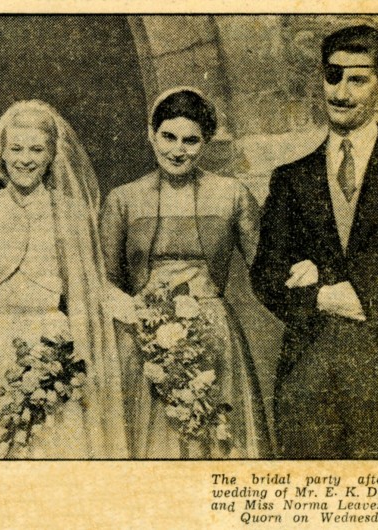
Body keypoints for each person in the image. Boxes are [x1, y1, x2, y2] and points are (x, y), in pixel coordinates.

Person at [250, 25, 378, 459]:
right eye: (333, 76)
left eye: (357, 79)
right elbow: (266, 275)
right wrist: (324, 296)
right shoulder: (291, 178)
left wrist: (354, 289)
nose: (341, 92)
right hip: (309, 380)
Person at [100, 87, 271, 458]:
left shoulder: (232, 195)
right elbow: (107, 282)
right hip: (144, 337)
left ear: (205, 142)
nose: (178, 150)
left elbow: (267, 266)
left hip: (213, 334)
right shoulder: (123, 199)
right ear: (151, 134)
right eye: (168, 137)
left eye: (191, 141)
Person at [0, 100, 129, 459]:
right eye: (16, 149)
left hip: (56, 344)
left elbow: (90, 286)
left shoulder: (71, 210)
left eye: (36, 150)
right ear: (1, 153)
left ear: (52, 155)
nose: (25, 159)